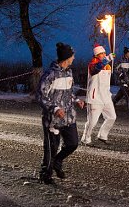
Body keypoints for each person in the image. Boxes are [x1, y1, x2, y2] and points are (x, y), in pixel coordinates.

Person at [37, 42, 84, 184]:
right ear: (66, 58)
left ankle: (57, 161)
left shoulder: (69, 72)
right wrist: (55, 109)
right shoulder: (50, 74)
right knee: (52, 147)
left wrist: (76, 100)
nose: (74, 59)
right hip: (53, 119)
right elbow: (40, 96)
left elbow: (68, 92)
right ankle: (46, 173)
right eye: (72, 56)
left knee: (73, 143)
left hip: (68, 116)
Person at [81, 44, 116, 145]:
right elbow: (96, 69)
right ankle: (86, 139)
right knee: (92, 122)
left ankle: (102, 135)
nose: (105, 55)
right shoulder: (92, 64)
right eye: (103, 54)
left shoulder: (108, 66)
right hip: (95, 98)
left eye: (105, 53)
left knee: (112, 117)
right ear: (97, 55)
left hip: (106, 97)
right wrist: (108, 58)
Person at [113, 46, 129, 114]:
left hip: (127, 81)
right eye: (128, 52)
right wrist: (120, 74)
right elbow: (115, 69)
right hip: (121, 81)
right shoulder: (120, 61)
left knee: (120, 95)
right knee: (128, 95)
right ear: (125, 53)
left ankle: (112, 104)